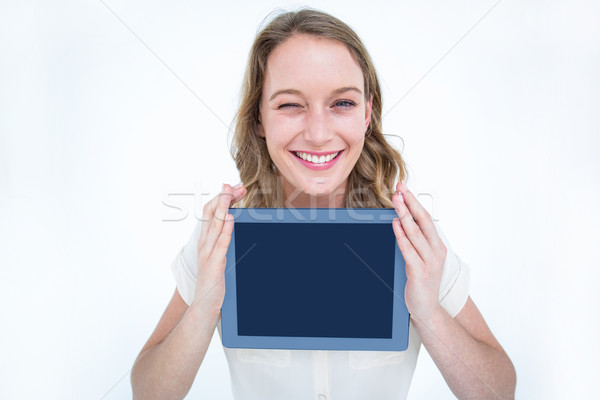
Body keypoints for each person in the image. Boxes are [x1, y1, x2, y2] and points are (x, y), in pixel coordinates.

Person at [131, 8, 516, 400]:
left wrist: (429, 314)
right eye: (289, 105)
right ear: (259, 119)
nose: (317, 133)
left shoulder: (412, 239)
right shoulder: (221, 237)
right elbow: (146, 392)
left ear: (367, 113)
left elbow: (500, 391)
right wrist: (202, 310)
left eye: (342, 104)